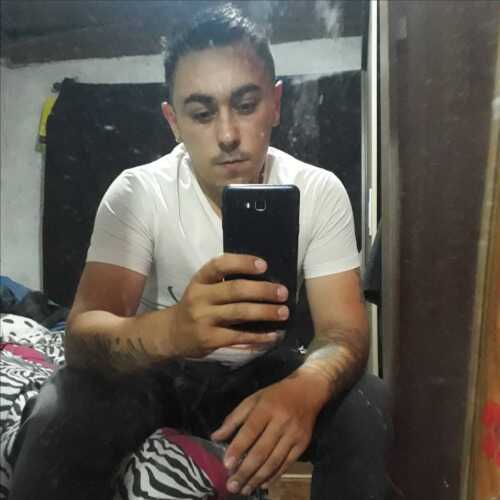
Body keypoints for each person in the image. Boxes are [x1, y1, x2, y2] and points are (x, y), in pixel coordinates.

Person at [9, 4, 390, 499]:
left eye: (246, 105)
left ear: (276, 104)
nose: (228, 135)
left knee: (369, 404)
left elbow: (344, 331)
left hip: (262, 371)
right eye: (202, 113)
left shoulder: (318, 191)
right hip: (158, 370)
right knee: (65, 403)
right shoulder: (138, 192)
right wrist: (175, 329)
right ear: (173, 121)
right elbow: (81, 338)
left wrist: (305, 388)